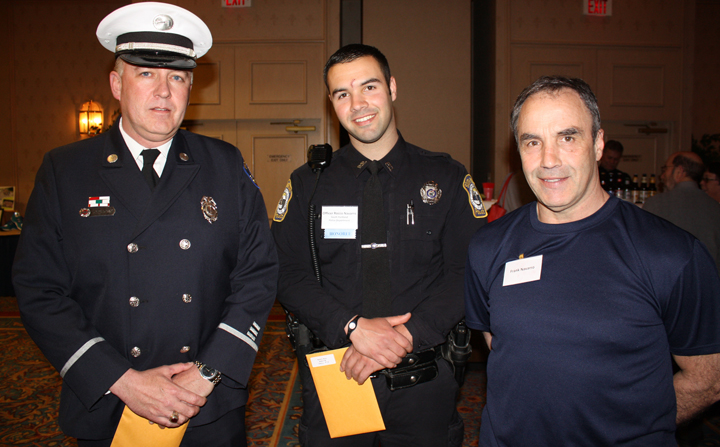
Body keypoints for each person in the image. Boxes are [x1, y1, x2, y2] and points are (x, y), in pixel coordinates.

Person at [12, 2, 278, 446]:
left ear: (191, 89)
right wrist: (122, 379)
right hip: (111, 399)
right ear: (116, 84)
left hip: (206, 403)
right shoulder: (66, 170)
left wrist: (207, 372)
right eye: (146, 74)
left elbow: (258, 273)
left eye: (177, 77)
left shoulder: (224, 164)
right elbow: (39, 288)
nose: (164, 91)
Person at [464, 76, 720, 446]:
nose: (549, 160)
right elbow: (500, 344)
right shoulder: (487, 246)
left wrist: (629, 430)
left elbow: (708, 379)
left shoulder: (670, 254)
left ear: (598, 144)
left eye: (567, 138)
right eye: (532, 142)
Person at [271, 44, 487, 446]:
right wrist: (351, 328)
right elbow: (286, 270)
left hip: (422, 380)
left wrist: (403, 338)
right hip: (337, 375)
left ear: (391, 88)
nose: (357, 104)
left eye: (368, 87)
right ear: (332, 103)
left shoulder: (446, 177)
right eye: (342, 94)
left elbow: (469, 271)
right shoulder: (309, 184)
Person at [643, 151, 720, 273]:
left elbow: (643, 251)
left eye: (665, 169)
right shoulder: (715, 207)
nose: (662, 176)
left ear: (679, 171)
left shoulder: (656, 204)